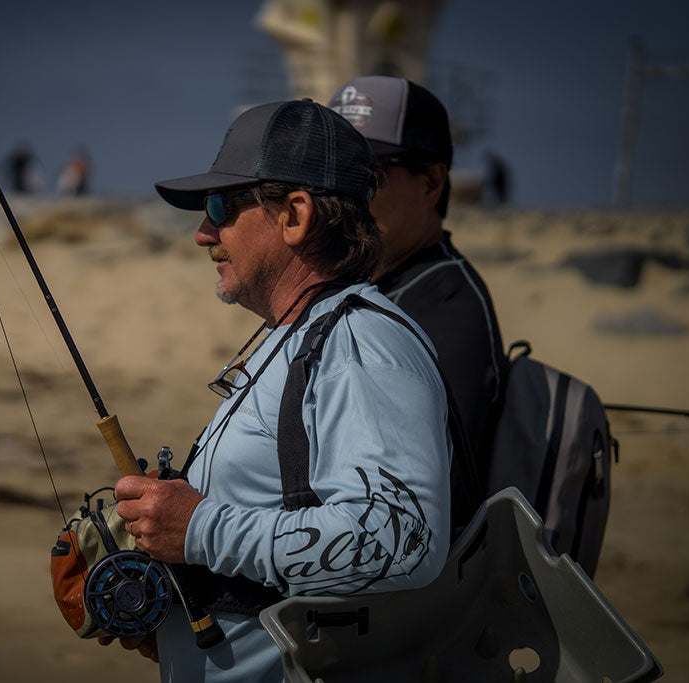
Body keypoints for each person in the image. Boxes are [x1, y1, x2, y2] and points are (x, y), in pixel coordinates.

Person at [106, 100, 455, 682]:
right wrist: (179, 592)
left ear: (295, 215)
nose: (202, 233)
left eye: (220, 206)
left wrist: (200, 529)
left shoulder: (360, 343)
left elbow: (402, 537)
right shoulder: (300, 335)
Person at [328, 76, 507, 475]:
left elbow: (418, 503)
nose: (340, 192)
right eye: (331, 169)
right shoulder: (371, 286)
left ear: (431, 182)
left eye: (367, 173)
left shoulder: (448, 312)